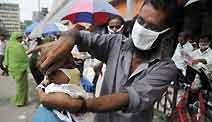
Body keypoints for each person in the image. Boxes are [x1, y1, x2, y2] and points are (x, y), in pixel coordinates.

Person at [29, 0, 180, 121]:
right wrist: (69, 38)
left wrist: (80, 105)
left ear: (166, 32)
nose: (142, 29)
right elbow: (81, 37)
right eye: (140, 21)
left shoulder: (166, 68)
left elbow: (131, 97)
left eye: (152, 27)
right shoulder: (116, 43)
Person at [4, 32, 29, 107]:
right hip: (21, 68)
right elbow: (23, 57)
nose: (22, 39)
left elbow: (6, 56)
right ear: (17, 38)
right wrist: (27, 62)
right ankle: (20, 101)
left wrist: (7, 66)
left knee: (19, 85)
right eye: (20, 37)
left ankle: (19, 99)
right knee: (22, 86)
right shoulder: (19, 46)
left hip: (13, 69)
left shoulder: (9, 45)